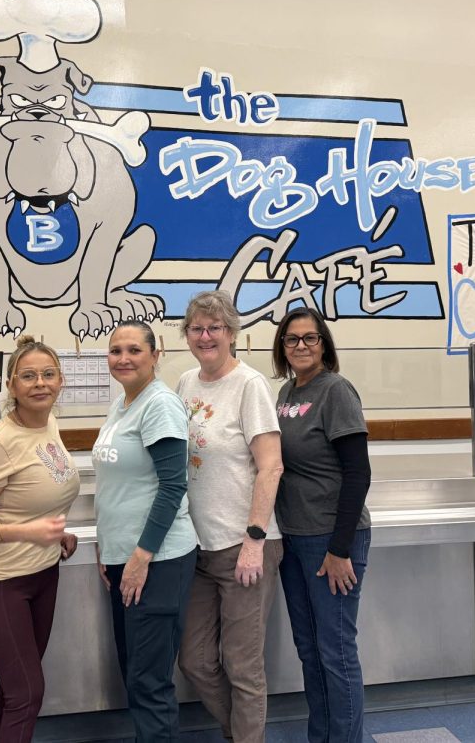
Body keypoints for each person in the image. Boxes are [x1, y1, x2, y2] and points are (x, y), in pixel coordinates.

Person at [174, 291, 283, 743]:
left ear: (232, 334)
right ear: (187, 335)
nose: (205, 336)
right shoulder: (184, 383)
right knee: (195, 660)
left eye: (215, 328)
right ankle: (238, 734)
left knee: (243, 665)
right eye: (197, 328)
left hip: (244, 546)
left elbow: (271, 465)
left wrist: (255, 540)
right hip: (198, 548)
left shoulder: (250, 384)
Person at [0, 336, 80, 743]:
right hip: (0, 583)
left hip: (44, 573)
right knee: (28, 692)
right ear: (11, 386)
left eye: (48, 375)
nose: (39, 383)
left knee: (16, 691)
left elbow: (31, 496)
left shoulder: (48, 423)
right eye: (27, 376)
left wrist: (56, 532)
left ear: (61, 381)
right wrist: (27, 532)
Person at [271, 307, 372, 743]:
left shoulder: (336, 391)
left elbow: (358, 473)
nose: (301, 347)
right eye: (292, 340)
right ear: (282, 348)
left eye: (310, 339)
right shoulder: (285, 394)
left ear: (324, 344)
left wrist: (340, 549)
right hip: (292, 538)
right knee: (309, 649)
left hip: (330, 540)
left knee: (335, 650)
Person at [93, 319, 197, 742]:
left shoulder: (160, 404)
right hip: (126, 557)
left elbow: (173, 486)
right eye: (116, 350)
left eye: (134, 350)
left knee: (150, 681)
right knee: (135, 674)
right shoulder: (122, 404)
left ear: (157, 355)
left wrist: (139, 557)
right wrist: (108, 548)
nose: (123, 358)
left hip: (158, 560)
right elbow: (119, 485)